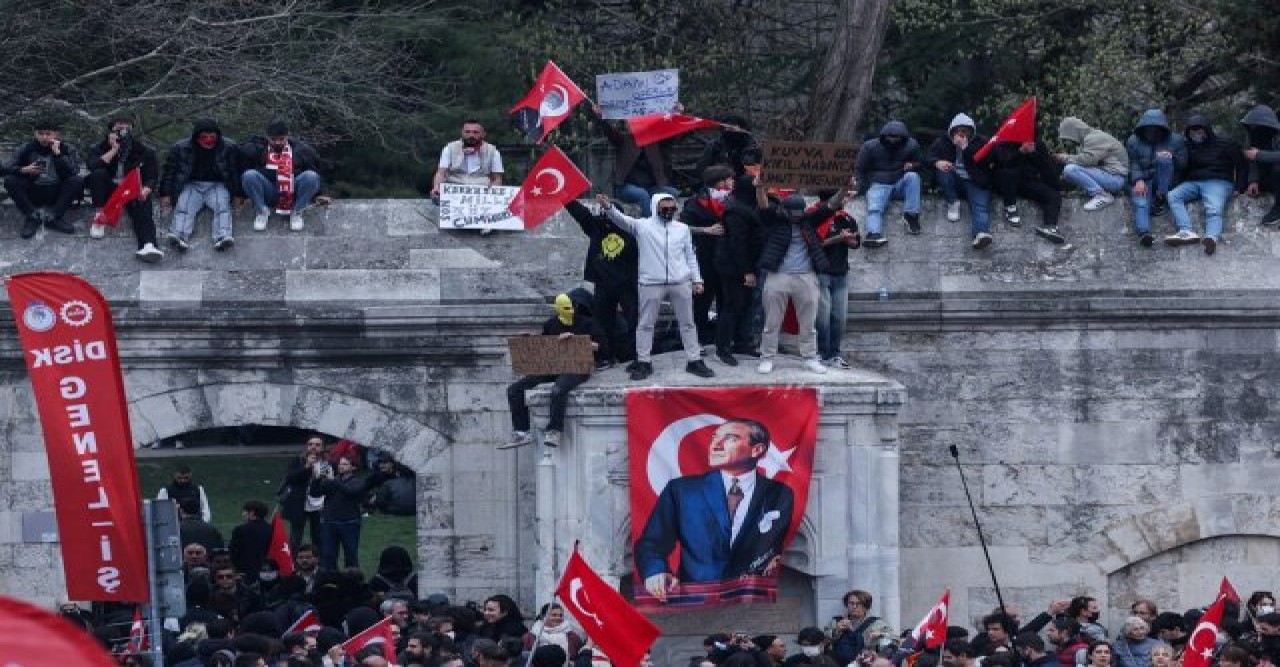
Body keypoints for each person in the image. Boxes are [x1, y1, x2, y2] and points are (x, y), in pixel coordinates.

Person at [634, 418, 794, 602]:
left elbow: (775, 544)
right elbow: (652, 542)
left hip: (753, 604)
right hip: (694, 603)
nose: (715, 445)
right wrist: (655, 571)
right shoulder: (682, 491)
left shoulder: (780, 493)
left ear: (757, 449)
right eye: (714, 438)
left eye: (730, 438)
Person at [596, 192, 716, 381]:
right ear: (655, 207)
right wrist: (608, 207)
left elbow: (690, 256)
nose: (669, 211)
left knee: (688, 323)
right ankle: (643, 361)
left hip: (680, 281)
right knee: (645, 324)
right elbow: (622, 220)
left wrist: (697, 279)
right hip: (651, 282)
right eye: (665, 208)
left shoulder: (682, 228)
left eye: (672, 208)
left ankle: (694, 360)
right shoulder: (643, 226)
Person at [756, 190, 850, 375]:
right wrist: (760, 187)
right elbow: (763, 205)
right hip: (777, 276)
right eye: (792, 214)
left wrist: (844, 189)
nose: (795, 218)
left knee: (808, 323)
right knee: (771, 322)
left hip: (807, 276)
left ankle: (809, 358)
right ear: (784, 211)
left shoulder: (808, 220)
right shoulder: (774, 221)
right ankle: (767, 358)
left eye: (799, 213)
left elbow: (830, 205)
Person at [502, 291, 603, 449]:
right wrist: (531, 340)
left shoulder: (588, 323)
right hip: (554, 366)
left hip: (577, 367)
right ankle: (521, 432)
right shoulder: (551, 324)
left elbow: (601, 347)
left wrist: (576, 341)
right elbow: (546, 345)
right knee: (515, 389)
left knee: (558, 390)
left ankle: (554, 429)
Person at [564, 199, 638, 369]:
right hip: (603, 284)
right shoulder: (596, 226)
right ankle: (605, 357)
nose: (607, 217)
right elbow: (580, 213)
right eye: (604, 213)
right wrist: (566, 198)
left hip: (627, 285)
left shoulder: (632, 228)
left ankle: (637, 356)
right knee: (601, 323)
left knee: (634, 321)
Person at [1164, 113, 1247, 255]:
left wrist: (1240, 187)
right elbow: (1183, 167)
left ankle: (1211, 238)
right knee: (1173, 196)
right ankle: (1186, 231)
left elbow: (1241, 165)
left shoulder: (1226, 143)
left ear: (1207, 130)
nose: (1196, 134)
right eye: (1192, 131)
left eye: (1199, 130)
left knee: (1213, 208)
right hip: (1194, 182)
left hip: (1219, 182)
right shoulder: (1187, 146)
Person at [86, 116, 165, 261]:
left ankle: (148, 244)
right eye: (119, 126)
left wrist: (147, 188)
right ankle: (100, 216)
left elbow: (152, 175)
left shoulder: (143, 150)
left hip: (130, 188)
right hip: (109, 188)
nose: (123, 129)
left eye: (127, 125)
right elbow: (93, 167)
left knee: (143, 208)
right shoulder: (98, 147)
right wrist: (113, 150)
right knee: (98, 175)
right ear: (112, 129)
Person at [159, 118, 240, 252]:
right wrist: (165, 193)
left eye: (212, 137)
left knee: (222, 206)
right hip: (192, 184)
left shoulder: (229, 147)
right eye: (204, 137)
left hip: (217, 184)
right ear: (197, 137)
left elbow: (235, 171)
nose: (208, 140)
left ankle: (222, 236)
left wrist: (238, 194)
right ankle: (179, 235)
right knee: (184, 206)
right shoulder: (180, 148)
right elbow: (169, 171)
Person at [714, 174, 767, 366]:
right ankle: (723, 348)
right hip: (733, 267)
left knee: (743, 305)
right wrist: (747, 271)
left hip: (745, 264)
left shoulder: (746, 207)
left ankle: (740, 343)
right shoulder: (736, 211)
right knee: (731, 306)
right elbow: (738, 243)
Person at [239, 120, 328, 232]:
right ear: (268, 138)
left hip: (292, 190)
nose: (277, 143)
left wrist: (321, 194)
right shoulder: (259, 148)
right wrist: (239, 194)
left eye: (281, 139)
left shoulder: (301, 149)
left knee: (311, 176)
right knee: (249, 175)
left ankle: (297, 212)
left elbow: (316, 170)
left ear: (287, 136)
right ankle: (261, 211)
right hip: (269, 190)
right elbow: (241, 162)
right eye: (273, 139)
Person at [681, 166, 735, 345]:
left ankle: (723, 340)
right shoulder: (694, 203)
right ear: (719, 182)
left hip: (727, 260)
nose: (731, 182)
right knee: (702, 303)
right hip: (704, 260)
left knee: (726, 302)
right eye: (728, 179)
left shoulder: (733, 201)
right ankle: (699, 340)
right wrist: (706, 230)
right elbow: (681, 228)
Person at [594, 105, 680, 216]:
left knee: (672, 193)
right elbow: (610, 132)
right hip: (625, 187)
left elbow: (671, 134)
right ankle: (649, 227)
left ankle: (669, 226)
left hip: (651, 188)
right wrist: (600, 117)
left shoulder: (654, 142)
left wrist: (676, 115)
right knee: (642, 195)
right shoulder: (624, 141)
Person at [3, 118, 82, 238]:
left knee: (77, 180)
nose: (44, 137)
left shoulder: (66, 148)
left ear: (56, 134)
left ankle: (54, 217)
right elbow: (4, 168)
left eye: (48, 133)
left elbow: (74, 171)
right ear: (35, 133)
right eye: (40, 134)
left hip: (56, 190)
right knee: (10, 180)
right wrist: (23, 170)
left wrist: (58, 154)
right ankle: (32, 216)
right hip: (33, 189)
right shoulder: (26, 148)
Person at [928, 113, 996, 249]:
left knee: (980, 205)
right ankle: (952, 202)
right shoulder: (942, 142)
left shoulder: (981, 142)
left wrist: (965, 148)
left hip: (975, 181)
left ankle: (981, 233)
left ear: (971, 131)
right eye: (958, 131)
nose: (961, 134)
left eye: (965, 131)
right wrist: (937, 162)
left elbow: (986, 162)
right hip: (953, 179)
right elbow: (927, 158)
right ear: (952, 131)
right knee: (943, 171)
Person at [308, 455, 384, 571]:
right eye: (340, 464)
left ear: (353, 467)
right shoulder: (333, 480)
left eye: (344, 464)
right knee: (328, 555)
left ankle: (352, 581)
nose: (340, 466)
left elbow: (351, 492)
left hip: (349, 523)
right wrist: (316, 479)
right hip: (330, 523)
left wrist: (333, 481)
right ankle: (331, 580)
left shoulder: (358, 482)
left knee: (351, 555)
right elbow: (315, 493)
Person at [855, 120, 923, 247]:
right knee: (875, 206)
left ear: (902, 137)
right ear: (883, 136)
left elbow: (920, 164)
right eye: (889, 137)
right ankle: (873, 234)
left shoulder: (912, 145)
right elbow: (860, 169)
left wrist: (913, 165)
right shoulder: (870, 146)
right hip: (878, 183)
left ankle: (911, 215)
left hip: (899, 182)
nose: (892, 140)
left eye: (895, 138)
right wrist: (859, 188)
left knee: (913, 177)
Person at [1124, 110, 1186, 246]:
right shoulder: (1133, 141)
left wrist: (1172, 156)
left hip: (1166, 179)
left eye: (1155, 128)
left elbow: (1184, 165)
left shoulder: (1176, 140)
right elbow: (1132, 163)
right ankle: (1144, 233)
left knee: (1164, 160)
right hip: (1144, 179)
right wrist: (1138, 180)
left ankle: (1160, 197)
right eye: (1149, 128)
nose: (1152, 131)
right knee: (1140, 199)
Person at [813, 188, 860, 369]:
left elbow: (856, 243)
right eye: (842, 197)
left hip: (841, 272)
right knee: (822, 317)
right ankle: (822, 353)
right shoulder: (815, 216)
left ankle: (834, 353)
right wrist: (838, 238)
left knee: (839, 317)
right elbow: (815, 243)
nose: (845, 200)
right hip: (822, 272)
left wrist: (849, 240)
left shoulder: (846, 218)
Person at [991, 139, 1066, 244]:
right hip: (1005, 183)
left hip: (1027, 182)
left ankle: (1050, 227)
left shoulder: (1037, 143)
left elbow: (1046, 168)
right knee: (1009, 173)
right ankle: (1010, 208)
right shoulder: (1003, 140)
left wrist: (1033, 153)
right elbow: (1003, 162)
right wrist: (1020, 152)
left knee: (1053, 195)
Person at [1054, 117, 1129, 211]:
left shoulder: (1093, 138)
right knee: (1070, 171)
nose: (1070, 140)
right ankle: (1097, 193)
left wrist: (1066, 158)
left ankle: (1102, 196)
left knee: (1070, 170)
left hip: (1115, 178)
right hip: (1111, 176)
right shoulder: (1091, 137)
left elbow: (1088, 161)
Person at [430, 120, 503, 202]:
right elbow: (441, 173)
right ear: (462, 133)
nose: (471, 135)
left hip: (481, 194)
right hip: (453, 190)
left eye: (475, 132)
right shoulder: (450, 148)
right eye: (467, 132)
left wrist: (493, 194)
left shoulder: (493, 151)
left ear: (483, 134)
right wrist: (437, 187)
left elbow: (497, 178)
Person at [280, 435, 326, 550]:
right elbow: (291, 478)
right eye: (310, 444)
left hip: (318, 504)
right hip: (299, 503)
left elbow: (329, 484)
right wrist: (307, 466)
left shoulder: (327, 463)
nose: (313, 447)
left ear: (322, 448)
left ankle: (318, 562)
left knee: (318, 536)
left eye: (317, 445)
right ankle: (293, 563)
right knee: (296, 536)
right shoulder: (298, 460)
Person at [831, 589, 894, 665]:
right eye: (851, 603)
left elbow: (895, 640)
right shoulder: (837, 621)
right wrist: (836, 630)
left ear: (866, 606)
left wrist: (881, 634)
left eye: (858, 604)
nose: (854, 606)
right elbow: (820, 642)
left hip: (865, 663)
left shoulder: (876, 623)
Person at [1241, 104, 1280, 225]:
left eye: (1255, 124)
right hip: (1267, 179)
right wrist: (1253, 180)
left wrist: (1259, 154)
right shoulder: (1255, 136)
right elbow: (1253, 161)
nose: (1252, 128)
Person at [696, 115, 762, 177]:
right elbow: (703, 167)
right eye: (728, 128)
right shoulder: (715, 146)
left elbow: (759, 167)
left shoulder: (752, 147)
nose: (731, 131)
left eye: (733, 128)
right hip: (720, 181)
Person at [228, 500, 273, 584]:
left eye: (244, 511)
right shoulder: (270, 529)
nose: (243, 514)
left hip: (244, 571)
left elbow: (233, 552)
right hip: (265, 570)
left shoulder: (240, 530)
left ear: (252, 513)